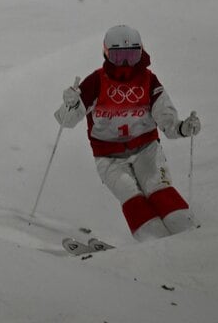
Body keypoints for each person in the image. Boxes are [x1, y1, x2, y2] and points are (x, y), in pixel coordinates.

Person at [54, 25, 201, 240]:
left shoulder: (149, 81)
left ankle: (190, 233)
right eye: (118, 56)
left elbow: (167, 120)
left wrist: (183, 128)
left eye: (131, 56)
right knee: (130, 195)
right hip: (109, 157)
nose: (125, 64)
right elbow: (66, 121)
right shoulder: (96, 82)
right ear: (106, 54)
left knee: (158, 188)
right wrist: (71, 104)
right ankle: (155, 241)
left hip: (146, 149)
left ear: (140, 52)